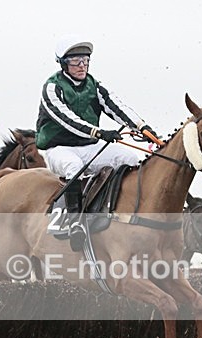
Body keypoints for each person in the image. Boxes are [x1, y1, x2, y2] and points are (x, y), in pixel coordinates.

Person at [36, 35, 159, 251]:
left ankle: (119, 210)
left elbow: (116, 107)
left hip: (89, 146)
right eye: (76, 61)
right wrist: (99, 132)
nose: (82, 66)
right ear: (63, 63)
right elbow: (67, 120)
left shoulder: (94, 85)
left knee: (129, 158)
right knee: (75, 167)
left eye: (85, 60)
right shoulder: (51, 88)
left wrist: (143, 127)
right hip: (59, 149)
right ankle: (75, 222)